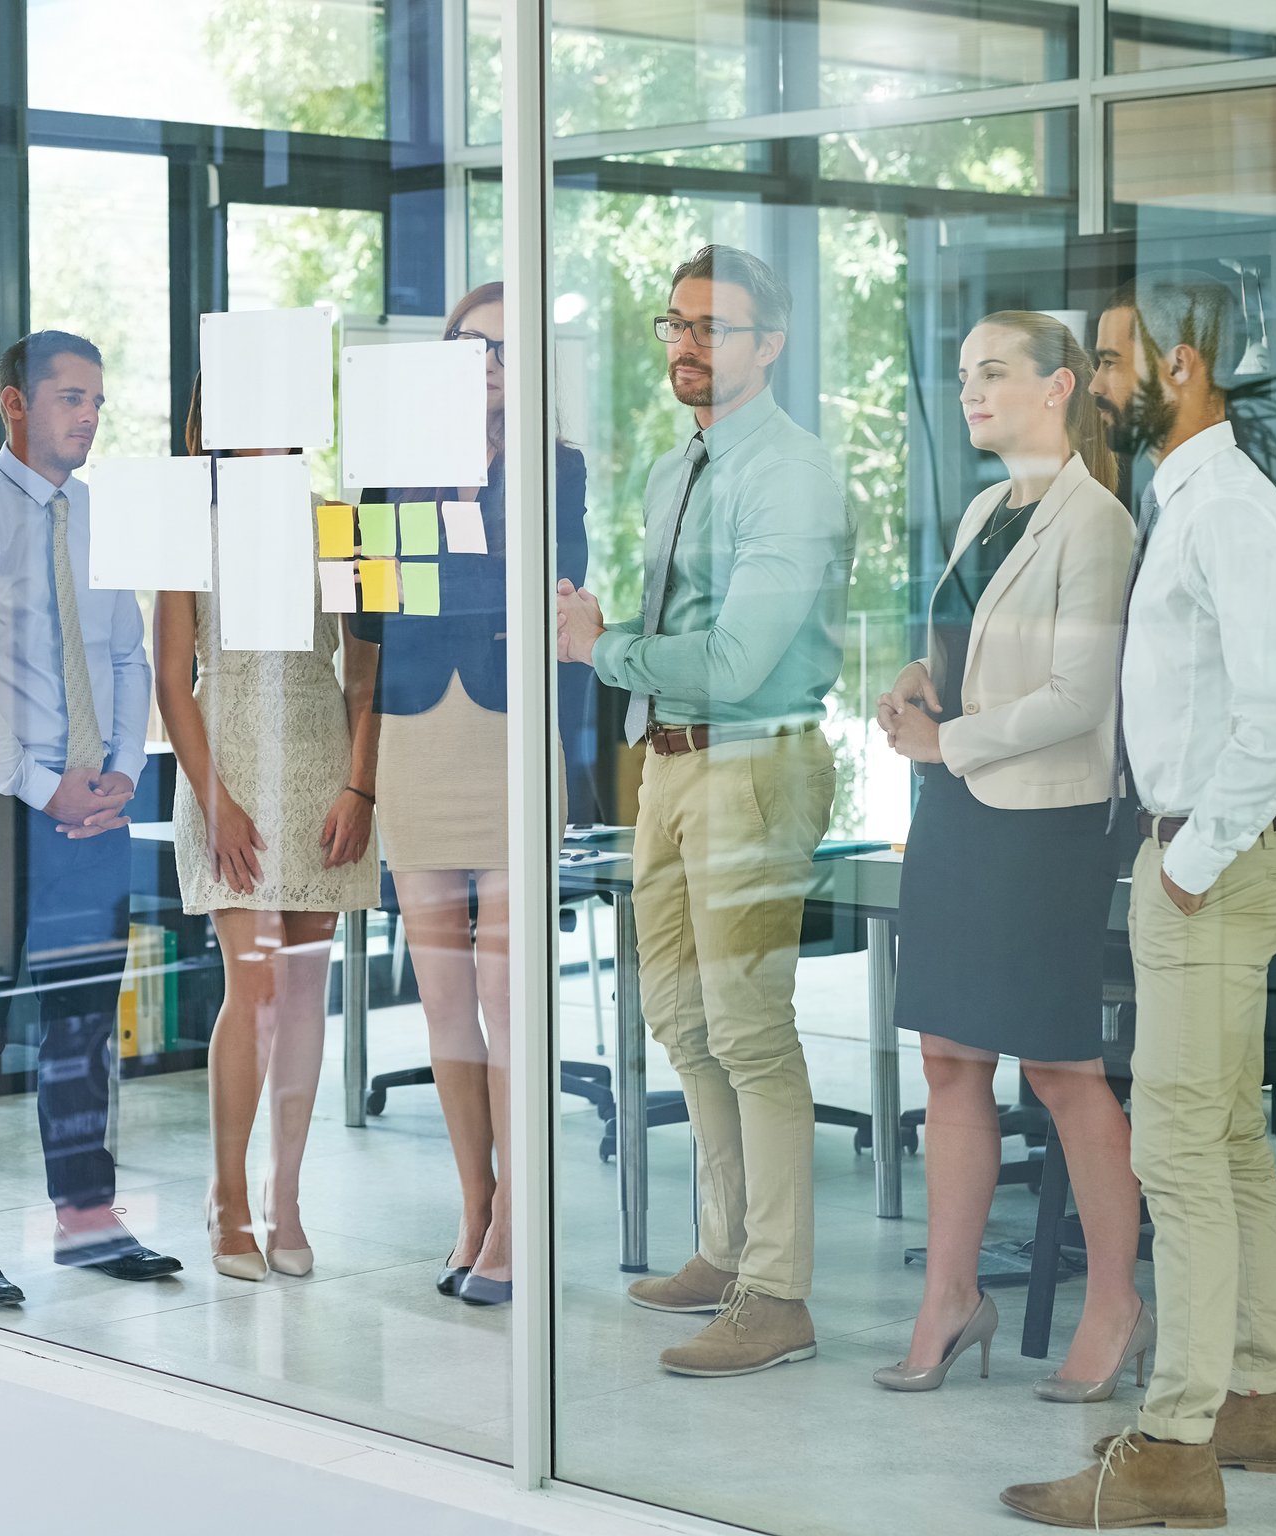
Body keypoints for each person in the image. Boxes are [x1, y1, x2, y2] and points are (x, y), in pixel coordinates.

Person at [1001, 274, 1276, 1527]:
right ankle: (1257, 1399)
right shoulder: (1186, 497)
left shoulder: (1222, 508)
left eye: (1116, 359)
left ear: (1183, 368)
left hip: (1216, 859)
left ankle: (1175, 1443)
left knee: (1176, 1154)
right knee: (1227, 1145)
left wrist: (1189, 858)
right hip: (1214, 852)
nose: (1095, 380)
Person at [556, 244, 851, 1375]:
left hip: (752, 762)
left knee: (749, 1030)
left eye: (709, 328)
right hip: (670, 764)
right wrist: (612, 633)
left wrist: (604, 645)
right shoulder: (677, 470)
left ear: (766, 345)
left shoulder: (790, 474)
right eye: (674, 325)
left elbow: (736, 660)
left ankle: (778, 1295)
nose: (684, 345)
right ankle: (724, 1255)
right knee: (680, 1019)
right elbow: (677, 636)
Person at [871, 312, 1145, 1399]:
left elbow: (1081, 702)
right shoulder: (989, 508)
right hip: (959, 810)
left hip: (1045, 824)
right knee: (947, 1057)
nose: (971, 393)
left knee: (1061, 1067)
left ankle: (1116, 1300)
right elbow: (975, 644)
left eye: (993, 373)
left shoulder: (1100, 525)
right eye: (962, 375)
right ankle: (950, 1298)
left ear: (1059, 386)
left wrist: (952, 739)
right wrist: (913, 682)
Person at [0, 330, 183, 1309]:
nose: (87, 416)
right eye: (69, 397)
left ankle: (86, 1223)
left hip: (93, 809)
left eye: (97, 400)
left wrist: (116, 769)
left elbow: (123, 655)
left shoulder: (99, 520)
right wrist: (41, 784)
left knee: (83, 1020)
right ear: (13, 402)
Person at [349, 280, 595, 1308]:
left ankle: (515, 1224)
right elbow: (369, 620)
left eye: (504, 351)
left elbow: (562, 600)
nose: (488, 365)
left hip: (508, 734)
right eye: (471, 349)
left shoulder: (558, 471)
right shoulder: (393, 466)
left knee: (503, 998)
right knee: (442, 1001)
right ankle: (473, 1203)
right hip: (414, 735)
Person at [155, 385, 380, 1282]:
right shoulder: (186, 529)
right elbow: (176, 679)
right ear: (207, 431)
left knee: (300, 997)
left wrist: (361, 785)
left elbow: (365, 676)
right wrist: (215, 800)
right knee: (249, 989)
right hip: (229, 766)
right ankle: (228, 1199)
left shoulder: (338, 525)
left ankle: (287, 1196)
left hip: (324, 763)